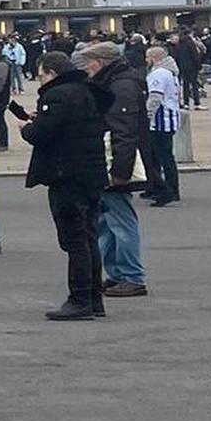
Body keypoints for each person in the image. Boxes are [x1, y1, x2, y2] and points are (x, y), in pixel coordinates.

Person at [20, 51, 110, 319]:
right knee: (90, 236)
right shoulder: (89, 91)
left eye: (40, 75)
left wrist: (28, 128)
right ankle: (94, 298)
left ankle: (79, 298)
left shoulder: (57, 95)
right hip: (91, 171)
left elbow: (41, 134)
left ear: (51, 73)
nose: (39, 80)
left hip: (66, 173)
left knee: (74, 239)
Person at [81, 42, 148, 299]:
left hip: (116, 163)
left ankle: (131, 276)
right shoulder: (117, 82)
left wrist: (120, 171)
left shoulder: (120, 86)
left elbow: (124, 131)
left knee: (120, 220)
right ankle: (119, 273)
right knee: (108, 221)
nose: (87, 67)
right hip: (111, 160)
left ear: (101, 61)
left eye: (90, 61)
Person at [143, 47, 181, 207]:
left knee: (161, 155)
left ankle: (168, 189)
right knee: (159, 155)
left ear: (153, 58)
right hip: (169, 115)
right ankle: (158, 186)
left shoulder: (158, 74)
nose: (146, 60)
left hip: (160, 119)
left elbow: (155, 97)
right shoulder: (170, 73)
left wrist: (147, 115)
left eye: (147, 57)